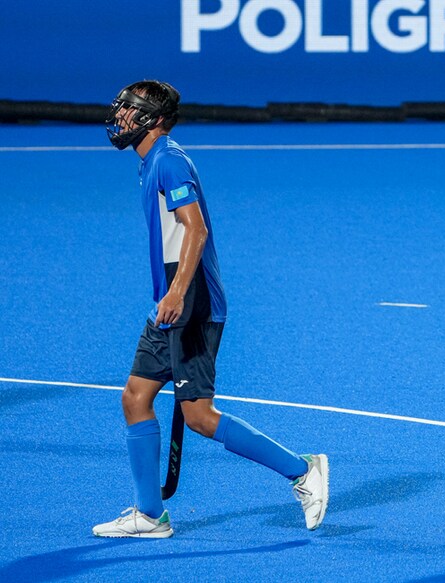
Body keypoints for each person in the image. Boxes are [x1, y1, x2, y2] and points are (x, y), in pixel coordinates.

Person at [93, 80, 329, 538]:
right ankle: (150, 514)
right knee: (136, 398)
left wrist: (178, 292)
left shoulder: (168, 162)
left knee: (199, 416)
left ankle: (303, 471)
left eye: (128, 110)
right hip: (167, 304)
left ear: (153, 119)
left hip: (191, 304)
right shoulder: (153, 163)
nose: (119, 118)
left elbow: (195, 231)